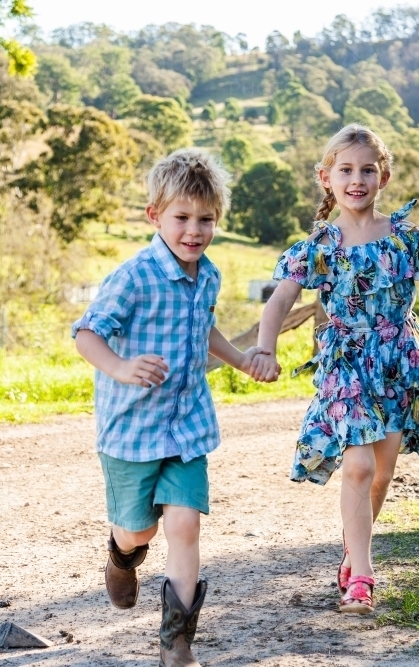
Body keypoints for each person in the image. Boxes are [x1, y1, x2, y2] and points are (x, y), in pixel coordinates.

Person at [249, 124, 419, 614]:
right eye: (345, 170)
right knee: (357, 467)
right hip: (346, 362)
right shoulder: (319, 246)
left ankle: (352, 550)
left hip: (400, 361)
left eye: (366, 170)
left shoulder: (407, 240)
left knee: (381, 475)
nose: (356, 179)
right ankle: (361, 576)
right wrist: (264, 349)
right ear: (326, 178)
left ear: (383, 176)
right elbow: (279, 301)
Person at [72, 149, 271, 666]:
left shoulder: (209, 276)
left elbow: (203, 328)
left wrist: (240, 359)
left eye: (206, 220)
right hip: (131, 432)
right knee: (140, 530)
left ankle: (176, 644)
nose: (194, 230)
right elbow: (87, 333)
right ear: (154, 216)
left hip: (187, 426)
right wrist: (120, 366)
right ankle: (121, 554)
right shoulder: (134, 277)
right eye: (182, 217)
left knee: (185, 525)